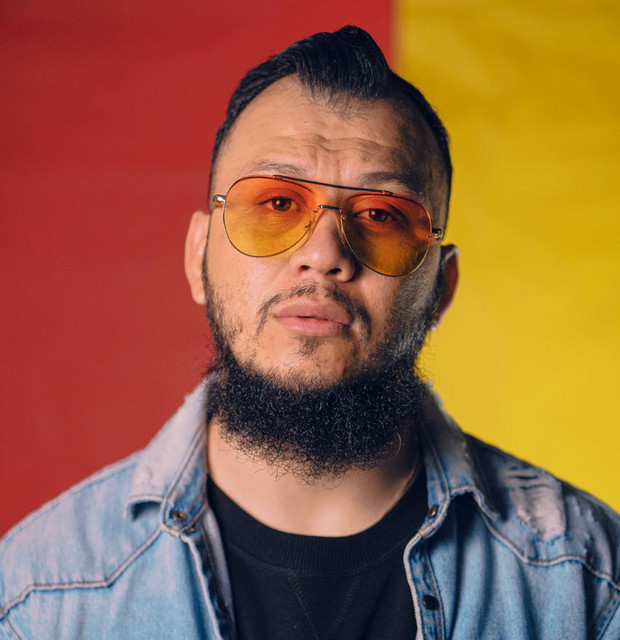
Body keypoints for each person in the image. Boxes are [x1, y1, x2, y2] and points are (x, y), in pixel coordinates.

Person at [0, 25, 617, 640]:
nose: (323, 255)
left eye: (380, 214)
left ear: (441, 290)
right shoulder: (39, 602)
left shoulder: (588, 586)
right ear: (198, 257)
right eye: (276, 204)